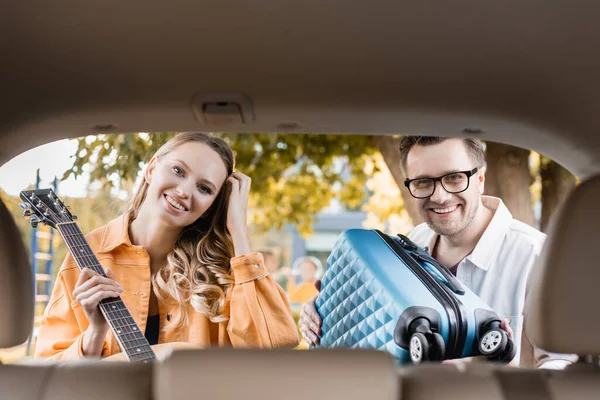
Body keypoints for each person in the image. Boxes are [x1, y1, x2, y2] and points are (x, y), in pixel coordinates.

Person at [299, 136, 574, 368]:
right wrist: (322, 311)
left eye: (454, 178)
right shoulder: (410, 242)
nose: (440, 197)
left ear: (480, 179)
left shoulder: (540, 258)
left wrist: (488, 373)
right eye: (423, 182)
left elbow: (562, 371)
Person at [35, 132, 299, 360]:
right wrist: (94, 333)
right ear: (151, 169)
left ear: (210, 208)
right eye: (178, 171)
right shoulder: (88, 252)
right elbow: (47, 368)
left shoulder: (224, 271)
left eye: (204, 188)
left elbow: (272, 347)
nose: (184, 190)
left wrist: (238, 229)